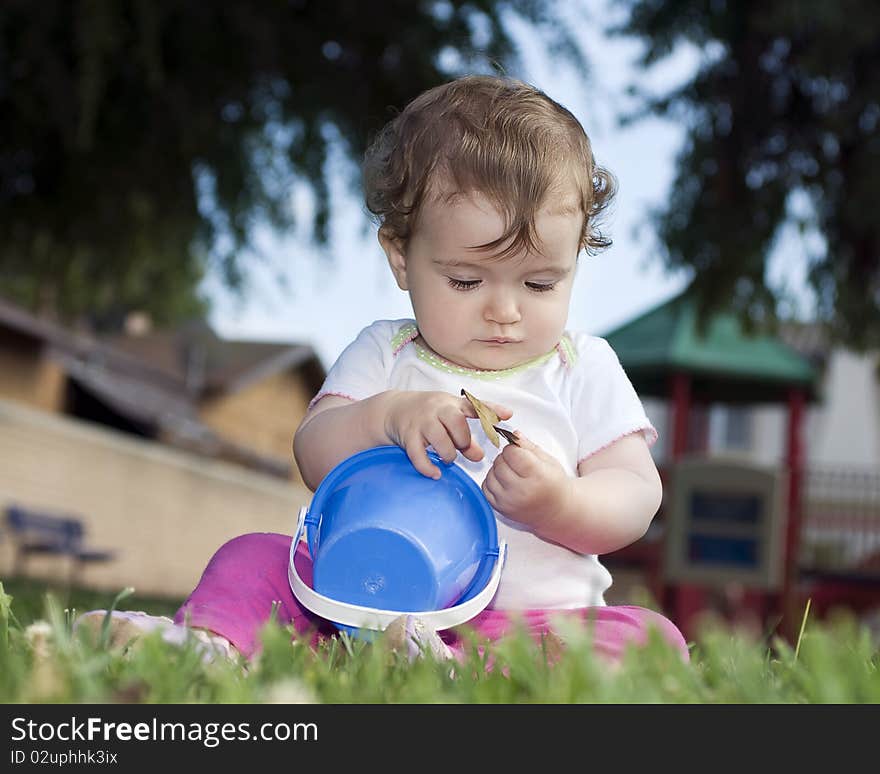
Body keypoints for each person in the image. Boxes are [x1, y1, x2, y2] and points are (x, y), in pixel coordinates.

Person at [77, 74, 688, 666]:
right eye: (466, 281)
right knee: (252, 558)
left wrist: (560, 503)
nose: (504, 311)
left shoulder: (583, 367)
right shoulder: (385, 353)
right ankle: (210, 644)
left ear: (576, 260)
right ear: (401, 257)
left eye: (540, 282)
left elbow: (636, 495)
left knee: (650, 638)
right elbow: (313, 452)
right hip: (353, 604)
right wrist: (386, 417)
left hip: (533, 624)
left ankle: (469, 671)